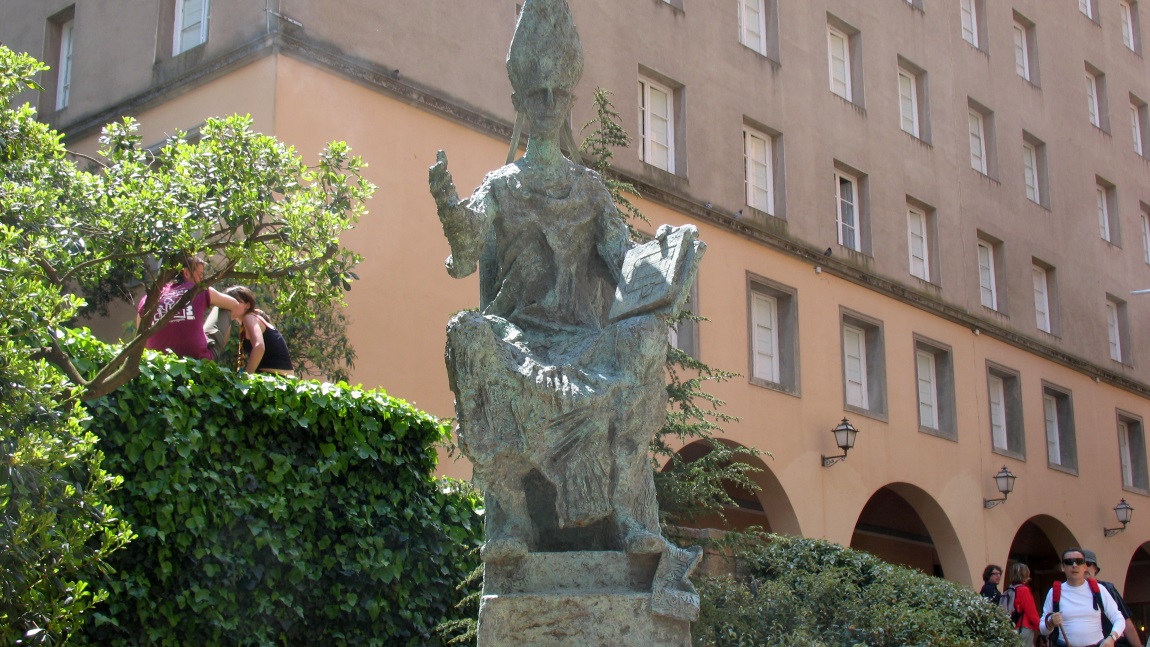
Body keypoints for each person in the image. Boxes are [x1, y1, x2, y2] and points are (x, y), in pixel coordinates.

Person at [428, 0, 701, 565]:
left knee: (645, 336)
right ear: (519, 104)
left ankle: (628, 520)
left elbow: (628, 263)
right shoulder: (500, 185)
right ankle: (510, 522)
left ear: (570, 102)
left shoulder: (592, 189)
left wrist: (671, 266)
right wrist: (449, 210)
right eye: (537, 94)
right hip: (520, 341)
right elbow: (466, 247)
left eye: (558, 94)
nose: (548, 104)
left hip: (586, 342)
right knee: (468, 334)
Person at [136, 254, 240, 360]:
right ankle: (214, 364)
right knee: (225, 308)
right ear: (186, 272)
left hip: (157, 361)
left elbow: (141, 335)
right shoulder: (198, 289)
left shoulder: (148, 298)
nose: (202, 280)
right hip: (197, 359)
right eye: (200, 276)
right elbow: (235, 305)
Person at [1040, 547, 1125, 647]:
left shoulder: (1099, 589)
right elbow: (1042, 629)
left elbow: (1119, 618)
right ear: (1063, 567)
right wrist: (1050, 623)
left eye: (1079, 562)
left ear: (1084, 566)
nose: (1074, 565)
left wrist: (1112, 638)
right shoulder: (1054, 592)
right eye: (1069, 562)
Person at [225, 286, 294, 377]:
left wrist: (245, 377)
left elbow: (259, 347)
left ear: (248, 305)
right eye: (228, 302)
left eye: (236, 301)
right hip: (277, 379)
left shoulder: (249, 318)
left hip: (274, 379)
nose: (231, 305)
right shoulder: (249, 320)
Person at [1084, 549, 1144, 647]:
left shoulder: (1107, 588)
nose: (1085, 568)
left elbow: (1125, 619)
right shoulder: (1066, 592)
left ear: (1095, 569)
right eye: (1082, 565)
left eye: (1088, 564)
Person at [1008, 562, 1041, 646]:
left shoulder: (1010, 589)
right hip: (1024, 627)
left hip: (1013, 627)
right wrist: (1041, 627)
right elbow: (1031, 612)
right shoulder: (1023, 590)